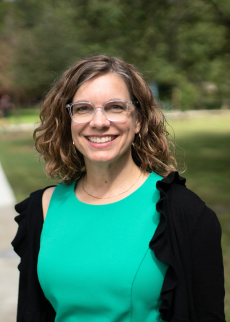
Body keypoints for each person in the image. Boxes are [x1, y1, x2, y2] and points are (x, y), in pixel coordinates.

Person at [12, 55, 225, 322]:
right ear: (68, 122)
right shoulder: (40, 210)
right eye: (83, 109)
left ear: (137, 121)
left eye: (114, 107)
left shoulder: (185, 213)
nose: (99, 122)